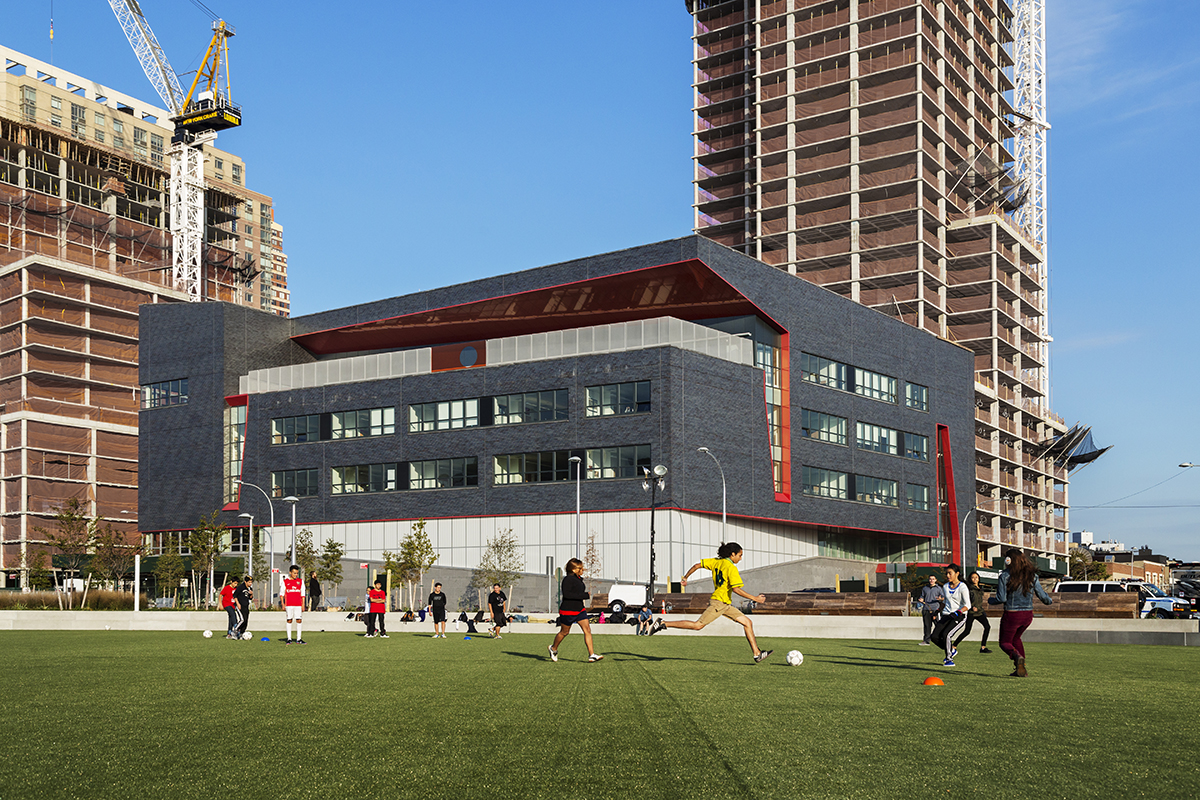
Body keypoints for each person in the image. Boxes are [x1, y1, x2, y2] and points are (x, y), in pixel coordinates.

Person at [649, 542, 772, 664]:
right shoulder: (731, 568)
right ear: (732, 554)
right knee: (698, 625)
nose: (740, 558)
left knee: (747, 622)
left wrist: (685, 577)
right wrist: (755, 599)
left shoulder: (716, 562)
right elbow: (736, 589)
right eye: (740, 555)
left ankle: (757, 653)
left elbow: (697, 565)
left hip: (724, 604)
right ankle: (663, 623)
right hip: (719, 603)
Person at [990, 549, 1052, 677]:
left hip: (1012, 614)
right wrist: (1049, 601)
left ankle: (1017, 657)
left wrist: (991, 600)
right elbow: (1042, 596)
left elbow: (1001, 598)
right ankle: (1021, 668)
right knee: (1016, 639)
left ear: (1008, 560)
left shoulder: (1005, 576)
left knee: (1004, 643)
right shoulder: (1032, 576)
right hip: (1028, 615)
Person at [548, 558, 603, 663]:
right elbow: (568, 595)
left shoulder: (578, 579)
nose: (582, 569)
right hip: (568, 611)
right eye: (580, 568)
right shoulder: (567, 579)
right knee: (564, 632)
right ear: (573, 569)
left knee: (587, 630)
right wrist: (585, 595)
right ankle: (553, 648)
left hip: (580, 610)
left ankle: (591, 655)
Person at [929, 564, 970, 667]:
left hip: (959, 616)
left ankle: (949, 659)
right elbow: (945, 602)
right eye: (946, 573)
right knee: (934, 637)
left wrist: (959, 612)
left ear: (957, 574)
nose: (948, 575)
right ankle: (951, 650)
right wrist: (938, 610)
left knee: (946, 635)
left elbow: (968, 605)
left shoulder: (962, 586)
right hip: (946, 615)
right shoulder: (945, 586)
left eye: (950, 573)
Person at [954, 571, 993, 654]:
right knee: (967, 631)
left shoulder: (980, 589)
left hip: (980, 612)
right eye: (973, 577)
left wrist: (979, 608)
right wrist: (972, 607)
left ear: (978, 579)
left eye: (976, 577)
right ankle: (954, 646)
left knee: (987, 627)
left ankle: (983, 647)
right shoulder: (969, 589)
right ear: (970, 579)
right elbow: (965, 601)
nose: (975, 579)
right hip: (971, 613)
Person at [281, 564, 306, 644]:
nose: (296, 575)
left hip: (298, 604)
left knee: (299, 620)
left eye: (297, 573)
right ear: (290, 573)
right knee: (289, 620)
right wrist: (283, 604)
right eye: (294, 573)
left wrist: (303, 605)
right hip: (289, 604)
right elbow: (282, 594)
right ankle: (289, 638)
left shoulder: (300, 582)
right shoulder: (285, 582)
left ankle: (298, 639)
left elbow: (303, 594)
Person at [917, 574, 943, 645]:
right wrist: (921, 600)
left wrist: (940, 599)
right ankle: (926, 641)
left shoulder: (939, 588)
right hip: (926, 609)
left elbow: (943, 598)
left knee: (938, 625)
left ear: (936, 580)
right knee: (927, 626)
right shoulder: (925, 588)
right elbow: (922, 596)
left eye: (933, 579)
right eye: (930, 579)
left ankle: (941, 639)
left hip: (935, 609)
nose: (931, 580)